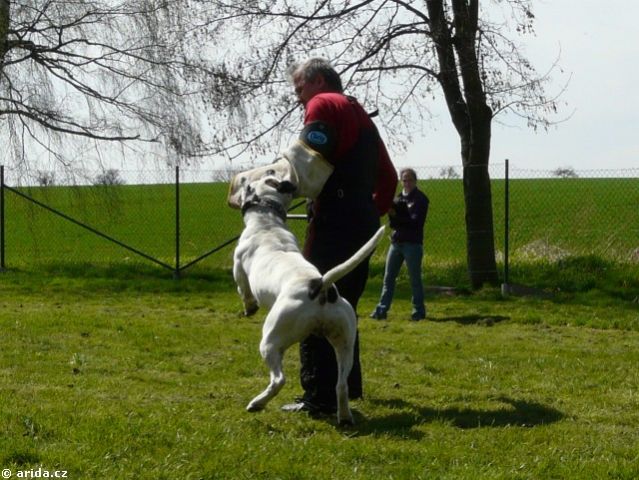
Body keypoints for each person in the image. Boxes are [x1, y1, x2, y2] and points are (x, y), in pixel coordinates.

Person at [281, 58, 398, 415]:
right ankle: (348, 385)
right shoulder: (361, 115)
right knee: (344, 304)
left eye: (299, 88)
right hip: (363, 221)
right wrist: (370, 211)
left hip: (333, 219)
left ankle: (319, 397)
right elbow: (389, 177)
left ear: (317, 80)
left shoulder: (323, 104)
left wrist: (276, 191)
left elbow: (306, 161)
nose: (299, 97)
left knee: (314, 300)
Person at [370, 168, 429, 321]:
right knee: (388, 278)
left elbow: (416, 222)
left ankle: (418, 311)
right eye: (404, 180)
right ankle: (381, 310)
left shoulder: (420, 199)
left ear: (415, 181)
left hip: (412, 244)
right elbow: (393, 223)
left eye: (410, 180)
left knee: (415, 280)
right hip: (396, 243)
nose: (407, 183)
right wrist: (394, 217)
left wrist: (397, 217)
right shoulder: (397, 199)